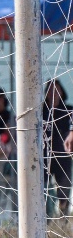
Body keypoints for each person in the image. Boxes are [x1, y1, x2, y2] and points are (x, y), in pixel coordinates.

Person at [49, 81, 73, 214]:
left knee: (64, 189)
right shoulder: (41, 111)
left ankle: (62, 220)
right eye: (50, 90)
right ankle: (45, 218)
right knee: (43, 188)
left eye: (56, 90)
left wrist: (72, 132)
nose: (53, 94)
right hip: (45, 156)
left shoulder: (68, 110)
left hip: (63, 155)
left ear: (62, 92)